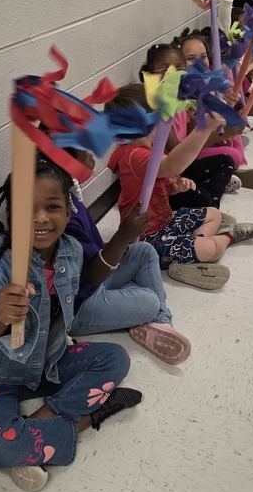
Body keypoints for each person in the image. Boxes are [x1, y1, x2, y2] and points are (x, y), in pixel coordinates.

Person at [0, 156, 142, 492]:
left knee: (117, 358)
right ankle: (90, 416)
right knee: (0, 446)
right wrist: (0, 315)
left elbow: (88, 282)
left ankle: (39, 425)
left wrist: (124, 236)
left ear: (69, 212)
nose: (40, 218)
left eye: (52, 207)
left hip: (46, 364)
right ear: (11, 217)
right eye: (27, 209)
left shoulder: (70, 249)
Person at [105, 84, 253, 281]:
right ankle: (229, 238)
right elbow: (172, 165)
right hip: (147, 239)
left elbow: (151, 185)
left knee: (213, 213)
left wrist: (172, 188)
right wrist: (204, 129)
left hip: (164, 222)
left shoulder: (148, 149)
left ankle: (188, 257)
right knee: (211, 248)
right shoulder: (133, 155)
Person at [63, 147, 191, 364]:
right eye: (83, 151)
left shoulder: (69, 197)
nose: (91, 154)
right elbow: (91, 276)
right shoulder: (62, 215)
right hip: (78, 305)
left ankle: (161, 323)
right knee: (149, 301)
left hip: (95, 280)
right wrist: (122, 236)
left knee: (144, 252)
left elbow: (91, 254)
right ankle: (151, 312)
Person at [140, 44, 240, 203]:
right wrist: (212, 132)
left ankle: (207, 201)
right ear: (150, 74)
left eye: (179, 69)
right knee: (203, 197)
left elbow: (191, 135)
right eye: (165, 70)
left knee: (227, 160)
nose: (173, 75)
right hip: (165, 178)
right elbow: (177, 149)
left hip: (182, 170)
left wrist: (196, 117)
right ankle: (209, 206)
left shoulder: (183, 101)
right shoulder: (156, 107)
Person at [171, 29, 253, 173]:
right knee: (231, 153)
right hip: (187, 152)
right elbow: (189, 138)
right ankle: (230, 169)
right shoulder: (180, 92)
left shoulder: (208, 82)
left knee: (234, 137)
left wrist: (228, 105)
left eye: (203, 56)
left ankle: (240, 167)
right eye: (191, 58)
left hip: (203, 139)